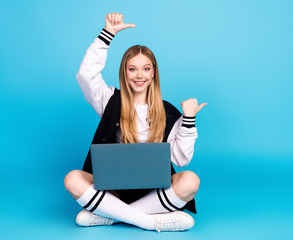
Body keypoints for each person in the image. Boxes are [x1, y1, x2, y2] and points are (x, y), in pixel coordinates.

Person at [64, 12, 207, 232]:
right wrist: (107, 35)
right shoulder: (110, 100)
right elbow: (85, 75)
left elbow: (181, 159)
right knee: (72, 179)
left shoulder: (168, 112)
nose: (139, 75)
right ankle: (149, 221)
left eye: (146, 68)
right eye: (132, 69)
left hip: (153, 191)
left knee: (190, 181)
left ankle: (110, 216)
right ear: (125, 72)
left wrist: (188, 120)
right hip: (112, 189)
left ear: (153, 73)